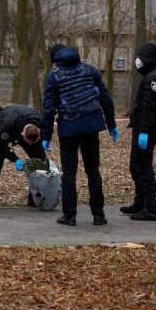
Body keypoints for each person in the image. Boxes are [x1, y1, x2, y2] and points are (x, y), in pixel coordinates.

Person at [42, 44, 118, 226]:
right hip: (91, 127)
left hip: (68, 130)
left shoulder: (54, 76)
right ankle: (99, 215)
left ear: (55, 59)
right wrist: (111, 124)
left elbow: (49, 108)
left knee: (69, 173)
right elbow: (105, 99)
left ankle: (69, 216)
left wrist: (46, 135)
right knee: (93, 171)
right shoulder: (90, 70)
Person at [121, 42, 156, 221]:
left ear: (148, 58)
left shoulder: (154, 79)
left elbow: (150, 107)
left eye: (140, 57)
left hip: (146, 130)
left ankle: (150, 209)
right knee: (135, 166)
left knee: (143, 168)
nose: (137, 61)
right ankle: (139, 203)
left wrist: (145, 132)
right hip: (142, 128)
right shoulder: (151, 76)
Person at [0, 105, 46, 210]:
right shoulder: (8, 124)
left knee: (40, 161)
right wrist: (15, 159)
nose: (29, 145)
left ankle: (34, 197)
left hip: (25, 127)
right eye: (28, 142)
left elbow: (39, 146)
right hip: (4, 130)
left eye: (32, 143)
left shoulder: (41, 124)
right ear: (22, 135)